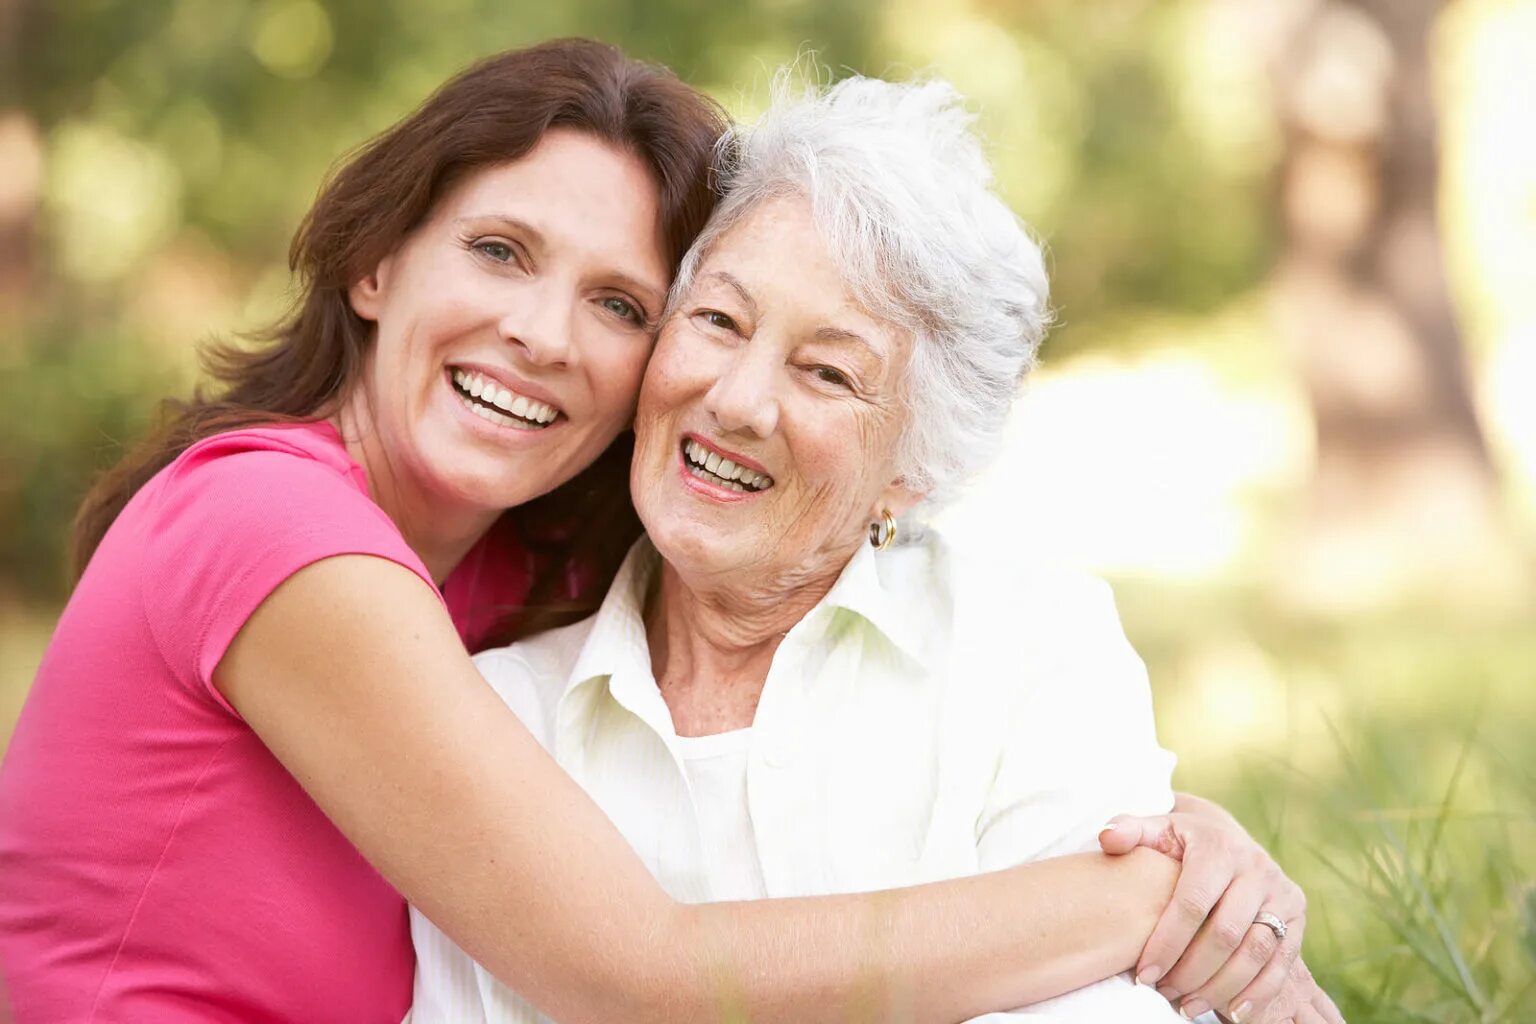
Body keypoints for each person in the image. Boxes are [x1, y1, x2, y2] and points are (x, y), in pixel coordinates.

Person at [0, 38, 1315, 1024]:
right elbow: (636, 975)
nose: (544, 333)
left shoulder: (524, 569)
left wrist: (1186, 831)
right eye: (501, 251)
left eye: (623, 304)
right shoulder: (271, 526)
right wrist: (1137, 900)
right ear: (377, 260)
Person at [408, 74, 1341, 1024]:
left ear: (912, 470)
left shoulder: (1028, 648)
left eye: (826, 371)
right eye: (719, 321)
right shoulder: (503, 714)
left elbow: (1106, 1009)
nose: (737, 401)